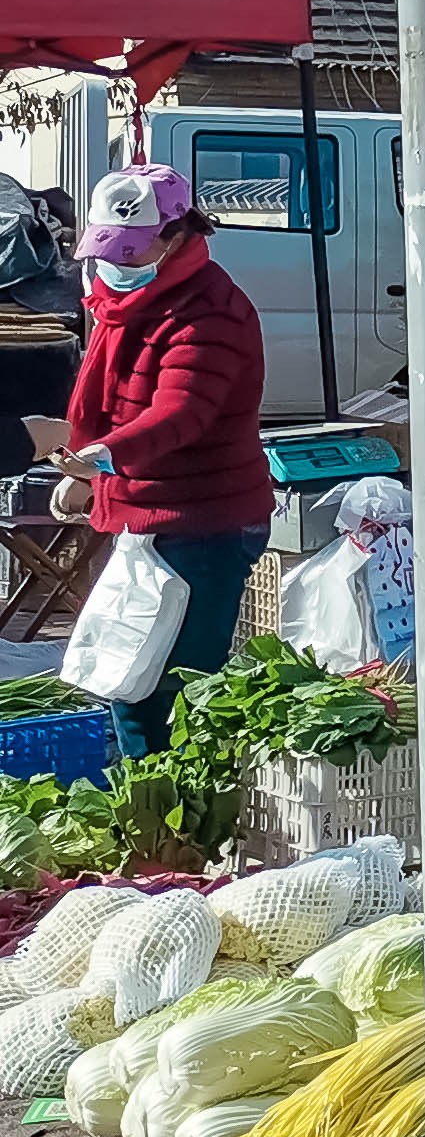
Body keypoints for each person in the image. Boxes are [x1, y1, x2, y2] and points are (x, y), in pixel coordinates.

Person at [51, 164, 275, 753]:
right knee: (128, 683)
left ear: (176, 235)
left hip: (204, 523)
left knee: (171, 691)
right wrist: (87, 473)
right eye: (108, 248)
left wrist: (101, 458)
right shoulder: (118, 302)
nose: (116, 264)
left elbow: (181, 413)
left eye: (131, 250)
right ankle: (150, 823)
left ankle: (177, 831)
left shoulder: (213, 312)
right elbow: (109, 399)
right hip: (141, 516)